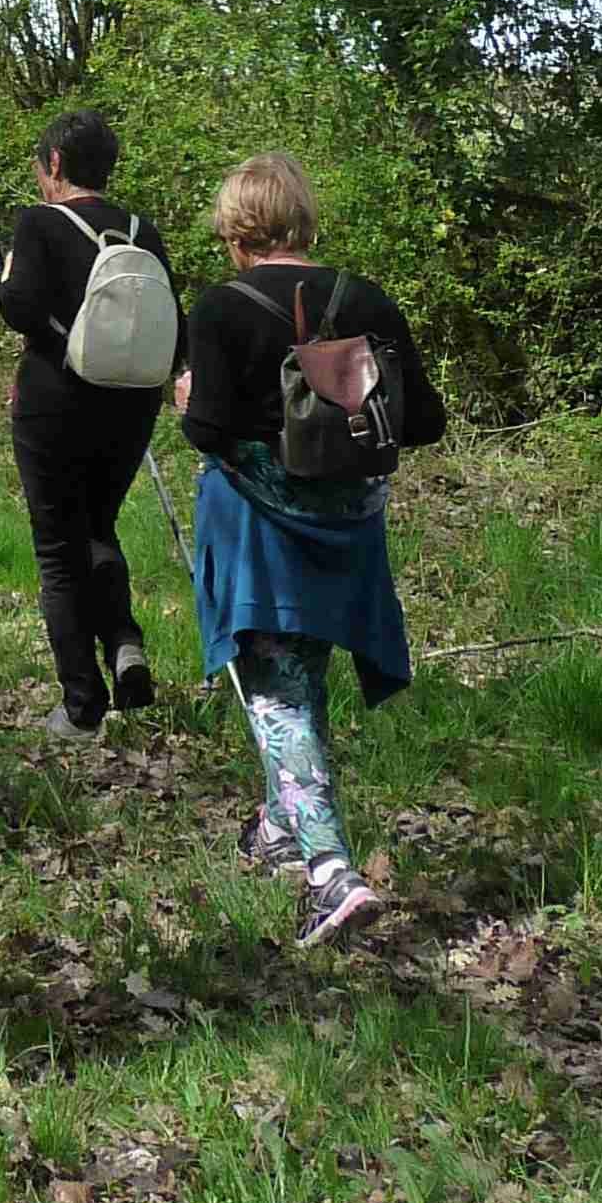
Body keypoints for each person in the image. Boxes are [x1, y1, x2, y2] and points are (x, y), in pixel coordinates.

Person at [176, 151, 446, 947]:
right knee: (301, 673)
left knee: (274, 690)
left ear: (236, 230)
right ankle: (278, 827)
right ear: (303, 217)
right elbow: (424, 421)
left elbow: (209, 431)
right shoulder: (364, 299)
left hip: (261, 524)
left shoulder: (221, 309)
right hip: (350, 524)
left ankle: (331, 872)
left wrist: (191, 397)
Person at [0, 109, 180, 737]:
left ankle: (82, 707)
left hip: (54, 400)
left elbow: (17, 306)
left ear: (54, 165)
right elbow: (168, 322)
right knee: (99, 525)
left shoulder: (39, 223)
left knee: (57, 548)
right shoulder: (141, 231)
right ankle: (125, 641)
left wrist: (52, 326)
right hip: (130, 405)